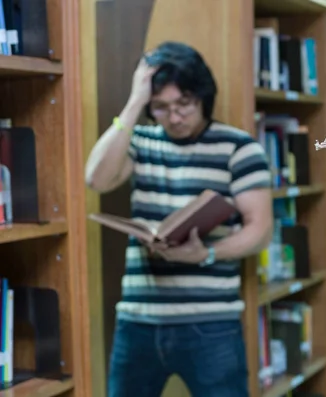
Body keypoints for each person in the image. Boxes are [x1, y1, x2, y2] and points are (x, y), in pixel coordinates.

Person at [85, 41, 273, 397]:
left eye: (184, 104)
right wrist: (134, 103)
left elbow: (260, 230)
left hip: (211, 324)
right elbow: (96, 178)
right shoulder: (140, 141)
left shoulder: (239, 147)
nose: (174, 117)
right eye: (161, 108)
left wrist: (207, 254)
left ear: (202, 96)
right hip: (138, 320)